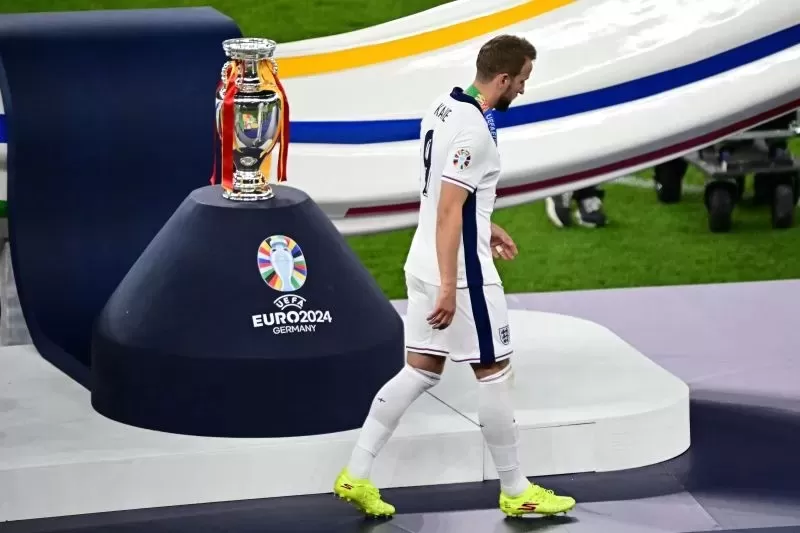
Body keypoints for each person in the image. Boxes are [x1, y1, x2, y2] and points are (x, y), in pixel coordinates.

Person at [333, 34, 577, 519]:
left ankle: (355, 474)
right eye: (523, 81)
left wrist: (485, 226)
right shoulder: (476, 135)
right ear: (503, 78)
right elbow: (449, 209)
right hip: (461, 277)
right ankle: (516, 490)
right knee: (496, 373)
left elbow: (447, 196)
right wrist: (450, 284)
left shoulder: (445, 105)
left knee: (420, 369)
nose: (524, 92)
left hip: (420, 260)